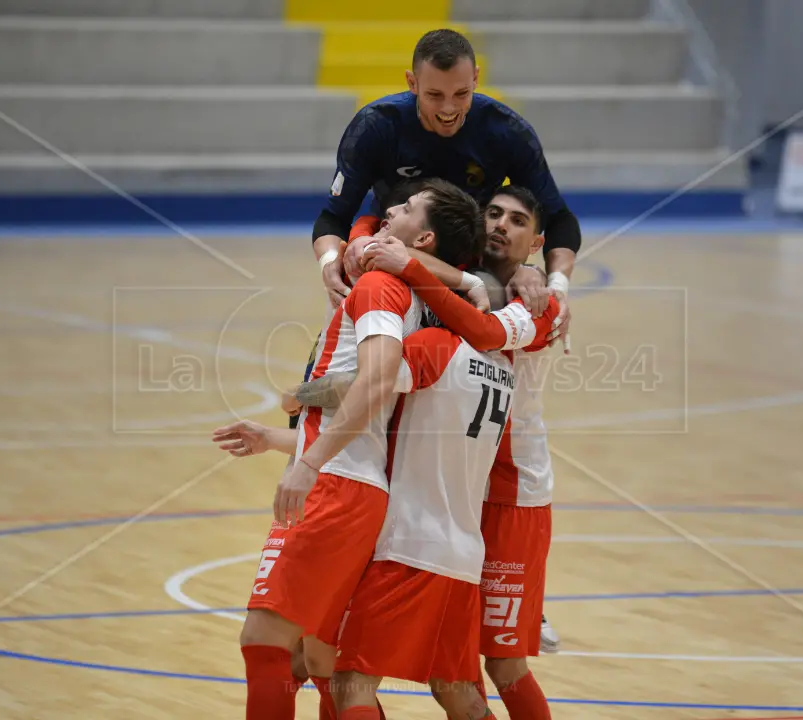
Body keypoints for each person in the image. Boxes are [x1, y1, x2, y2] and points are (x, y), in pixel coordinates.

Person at [238, 179, 484, 720]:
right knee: (322, 657)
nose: (390, 209)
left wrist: (307, 462)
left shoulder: (380, 288)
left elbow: (374, 382)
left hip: (337, 484)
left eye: (406, 207)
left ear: (421, 239)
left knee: (265, 643)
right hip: (357, 484)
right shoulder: (419, 299)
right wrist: (286, 433)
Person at [361, 186, 560, 718]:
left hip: (512, 495)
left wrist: (537, 274)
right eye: (492, 213)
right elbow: (383, 243)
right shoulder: (470, 275)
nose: (500, 225)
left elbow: (482, 327)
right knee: (450, 677)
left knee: (503, 664)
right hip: (457, 491)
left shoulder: (541, 303)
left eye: (517, 221)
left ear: (536, 241)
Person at [310, 28, 579, 347]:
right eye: (434, 95)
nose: (449, 109)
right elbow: (333, 217)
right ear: (412, 83)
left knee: (529, 301)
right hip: (390, 259)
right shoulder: (376, 127)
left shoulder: (506, 132)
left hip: (473, 269)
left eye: (461, 94)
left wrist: (555, 285)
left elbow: (560, 220)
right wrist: (328, 264)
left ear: (476, 78)